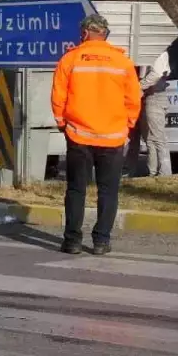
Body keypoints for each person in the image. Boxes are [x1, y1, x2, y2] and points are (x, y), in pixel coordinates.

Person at [51, 14, 141, 255]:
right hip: (112, 136)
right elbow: (134, 99)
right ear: (105, 34)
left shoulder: (70, 59)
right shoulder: (122, 62)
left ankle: (72, 241)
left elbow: (58, 97)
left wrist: (63, 124)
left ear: (84, 33)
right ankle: (101, 241)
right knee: (108, 190)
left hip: (79, 136)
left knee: (76, 189)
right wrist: (127, 125)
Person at [139, 49, 172, 177]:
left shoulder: (158, 52)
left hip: (155, 96)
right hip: (149, 97)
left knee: (158, 138)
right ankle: (152, 173)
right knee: (150, 139)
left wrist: (139, 86)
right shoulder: (148, 53)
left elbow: (156, 73)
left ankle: (165, 173)